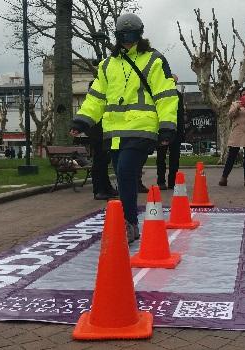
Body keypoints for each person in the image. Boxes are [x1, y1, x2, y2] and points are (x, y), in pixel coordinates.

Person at [70, 13, 178, 243]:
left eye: (132, 35)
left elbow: (166, 96)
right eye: (122, 35)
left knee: (126, 172)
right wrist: (82, 120)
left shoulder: (154, 60)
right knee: (121, 175)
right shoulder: (107, 65)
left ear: (140, 35)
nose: (127, 40)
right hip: (114, 133)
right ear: (117, 36)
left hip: (142, 129)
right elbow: (96, 98)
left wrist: (167, 126)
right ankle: (128, 221)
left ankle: (130, 224)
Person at [219, 86, 245, 187]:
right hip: (237, 132)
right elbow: (230, 115)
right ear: (240, 95)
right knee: (231, 156)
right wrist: (238, 107)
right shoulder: (235, 104)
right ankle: (224, 178)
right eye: (243, 94)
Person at [156, 74, 185, 189]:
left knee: (175, 158)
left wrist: (181, 133)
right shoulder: (160, 94)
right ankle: (161, 181)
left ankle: (172, 182)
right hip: (163, 130)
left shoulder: (178, 96)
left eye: (174, 82)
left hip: (176, 131)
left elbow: (180, 115)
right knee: (161, 157)